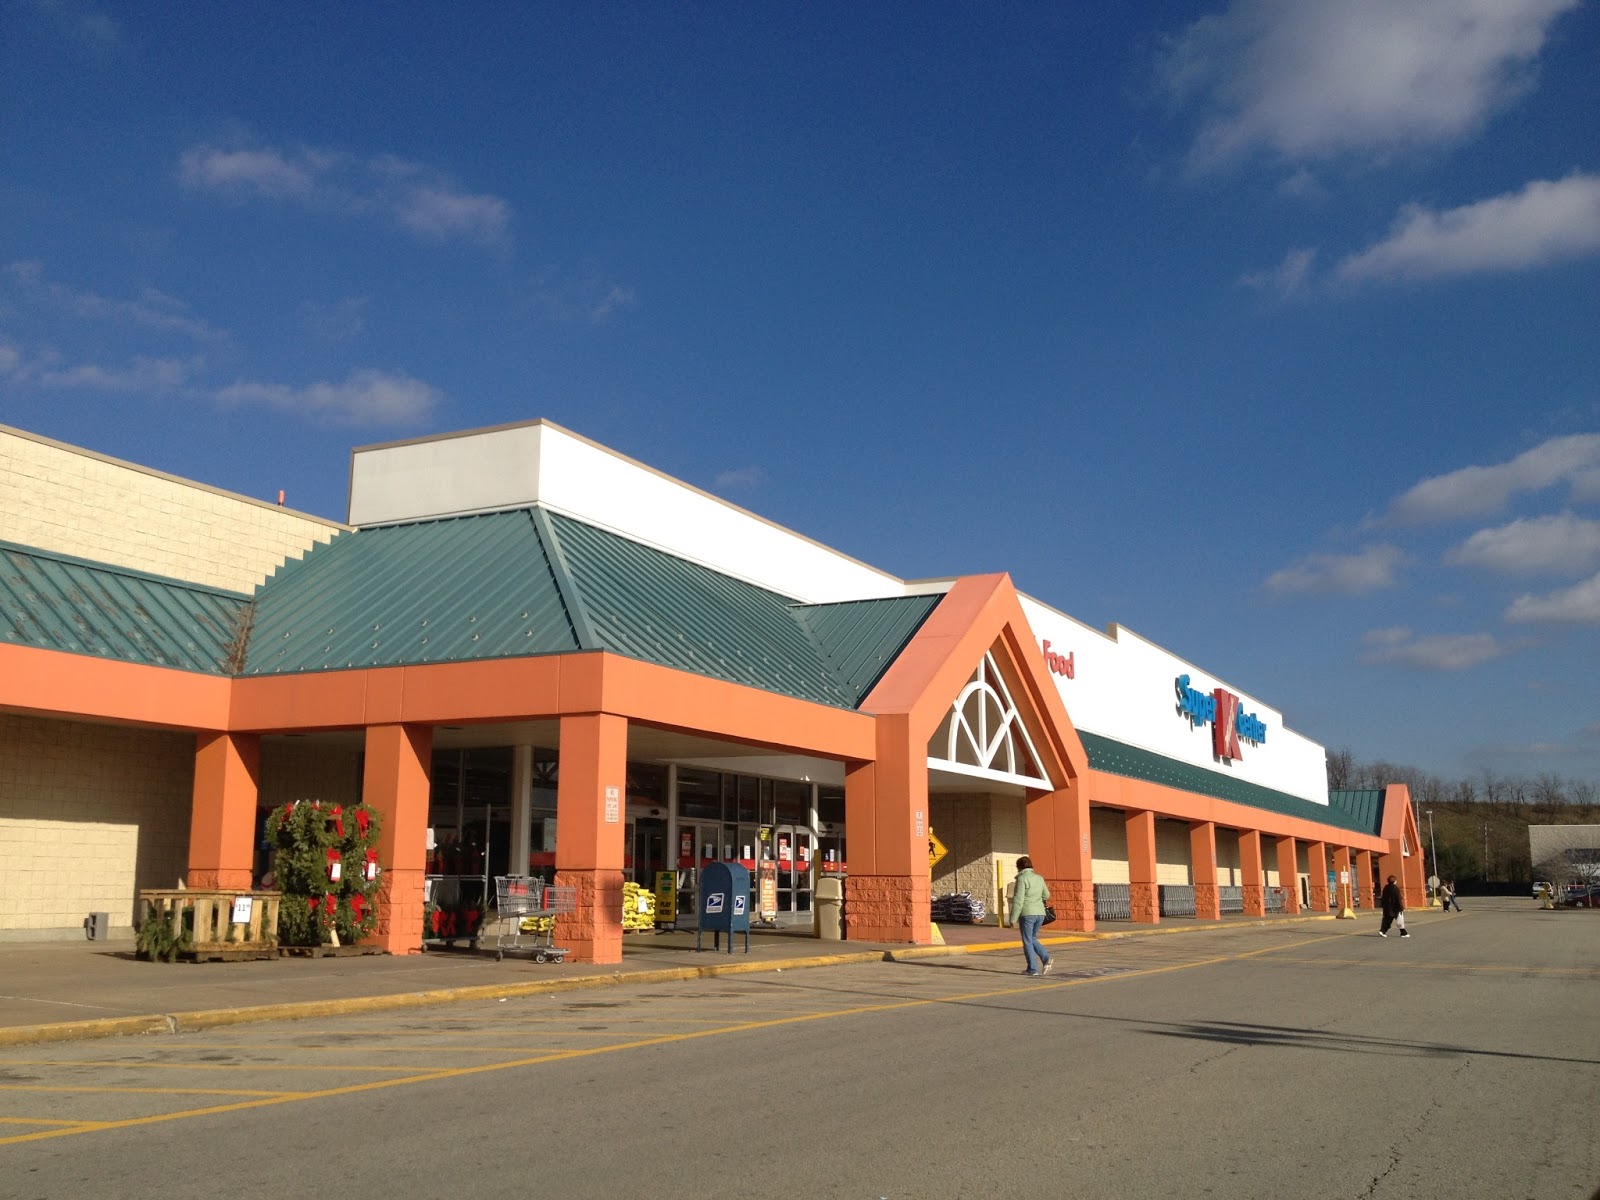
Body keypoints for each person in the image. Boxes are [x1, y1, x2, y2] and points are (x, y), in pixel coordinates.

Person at [1010, 856, 1053, 975]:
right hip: (1040, 913)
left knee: (1027, 940)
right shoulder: (1039, 878)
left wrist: (1013, 918)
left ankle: (1032, 968)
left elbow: (1019, 899)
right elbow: (1047, 895)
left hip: (1027, 913)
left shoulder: (1022, 879)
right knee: (1032, 938)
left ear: (1019, 867)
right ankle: (1046, 958)